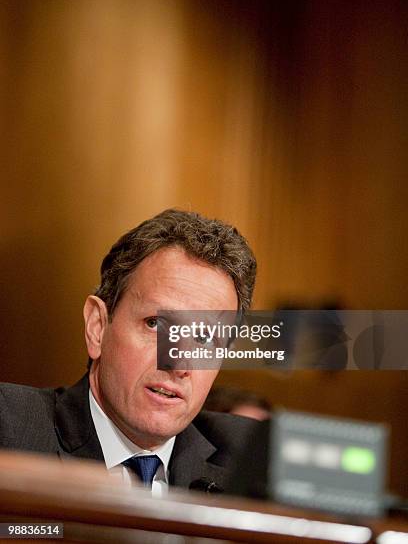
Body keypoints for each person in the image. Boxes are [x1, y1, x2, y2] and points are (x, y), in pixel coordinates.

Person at [0, 209, 266, 496]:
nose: (179, 364)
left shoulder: (252, 458)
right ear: (97, 326)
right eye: (156, 324)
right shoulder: (11, 431)